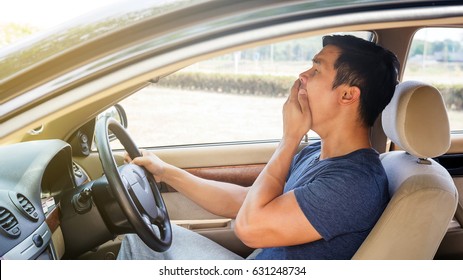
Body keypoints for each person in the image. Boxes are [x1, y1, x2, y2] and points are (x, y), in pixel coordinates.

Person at [117, 34, 399, 260]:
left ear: (348, 95)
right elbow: (246, 202)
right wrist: (166, 172)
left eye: (316, 70)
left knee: (139, 243)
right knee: (143, 236)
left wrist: (289, 139)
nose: (302, 76)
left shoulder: (353, 183)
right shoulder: (317, 153)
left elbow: (250, 227)